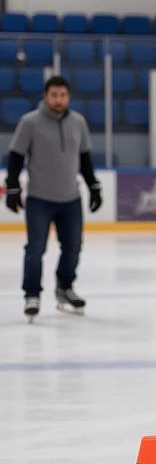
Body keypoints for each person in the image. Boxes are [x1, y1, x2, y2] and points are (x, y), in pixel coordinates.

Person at [4, 75, 102, 320]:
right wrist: (13, 188)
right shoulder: (29, 122)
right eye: (54, 95)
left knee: (73, 248)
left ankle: (65, 287)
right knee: (35, 249)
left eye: (63, 95)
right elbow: (16, 157)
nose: (59, 100)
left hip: (71, 198)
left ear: (68, 96)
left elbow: (85, 159)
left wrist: (94, 186)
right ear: (46, 96)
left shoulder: (78, 122)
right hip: (40, 199)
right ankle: (32, 294)